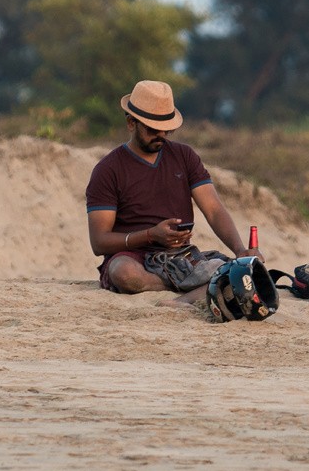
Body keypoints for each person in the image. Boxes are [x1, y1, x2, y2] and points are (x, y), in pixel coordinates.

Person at [85, 80, 262, 305]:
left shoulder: (184, 156)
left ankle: (183, 298)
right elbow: (99, 242)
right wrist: (150, 235)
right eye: (152, 129)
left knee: (241, 270)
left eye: (166, 129)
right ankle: (192, 287)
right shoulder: (108, 169)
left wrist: (240, 250)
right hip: (132, 256)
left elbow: (214, 210)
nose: (161, 134)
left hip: (180, 256)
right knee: (124, 273)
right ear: (131, 123)